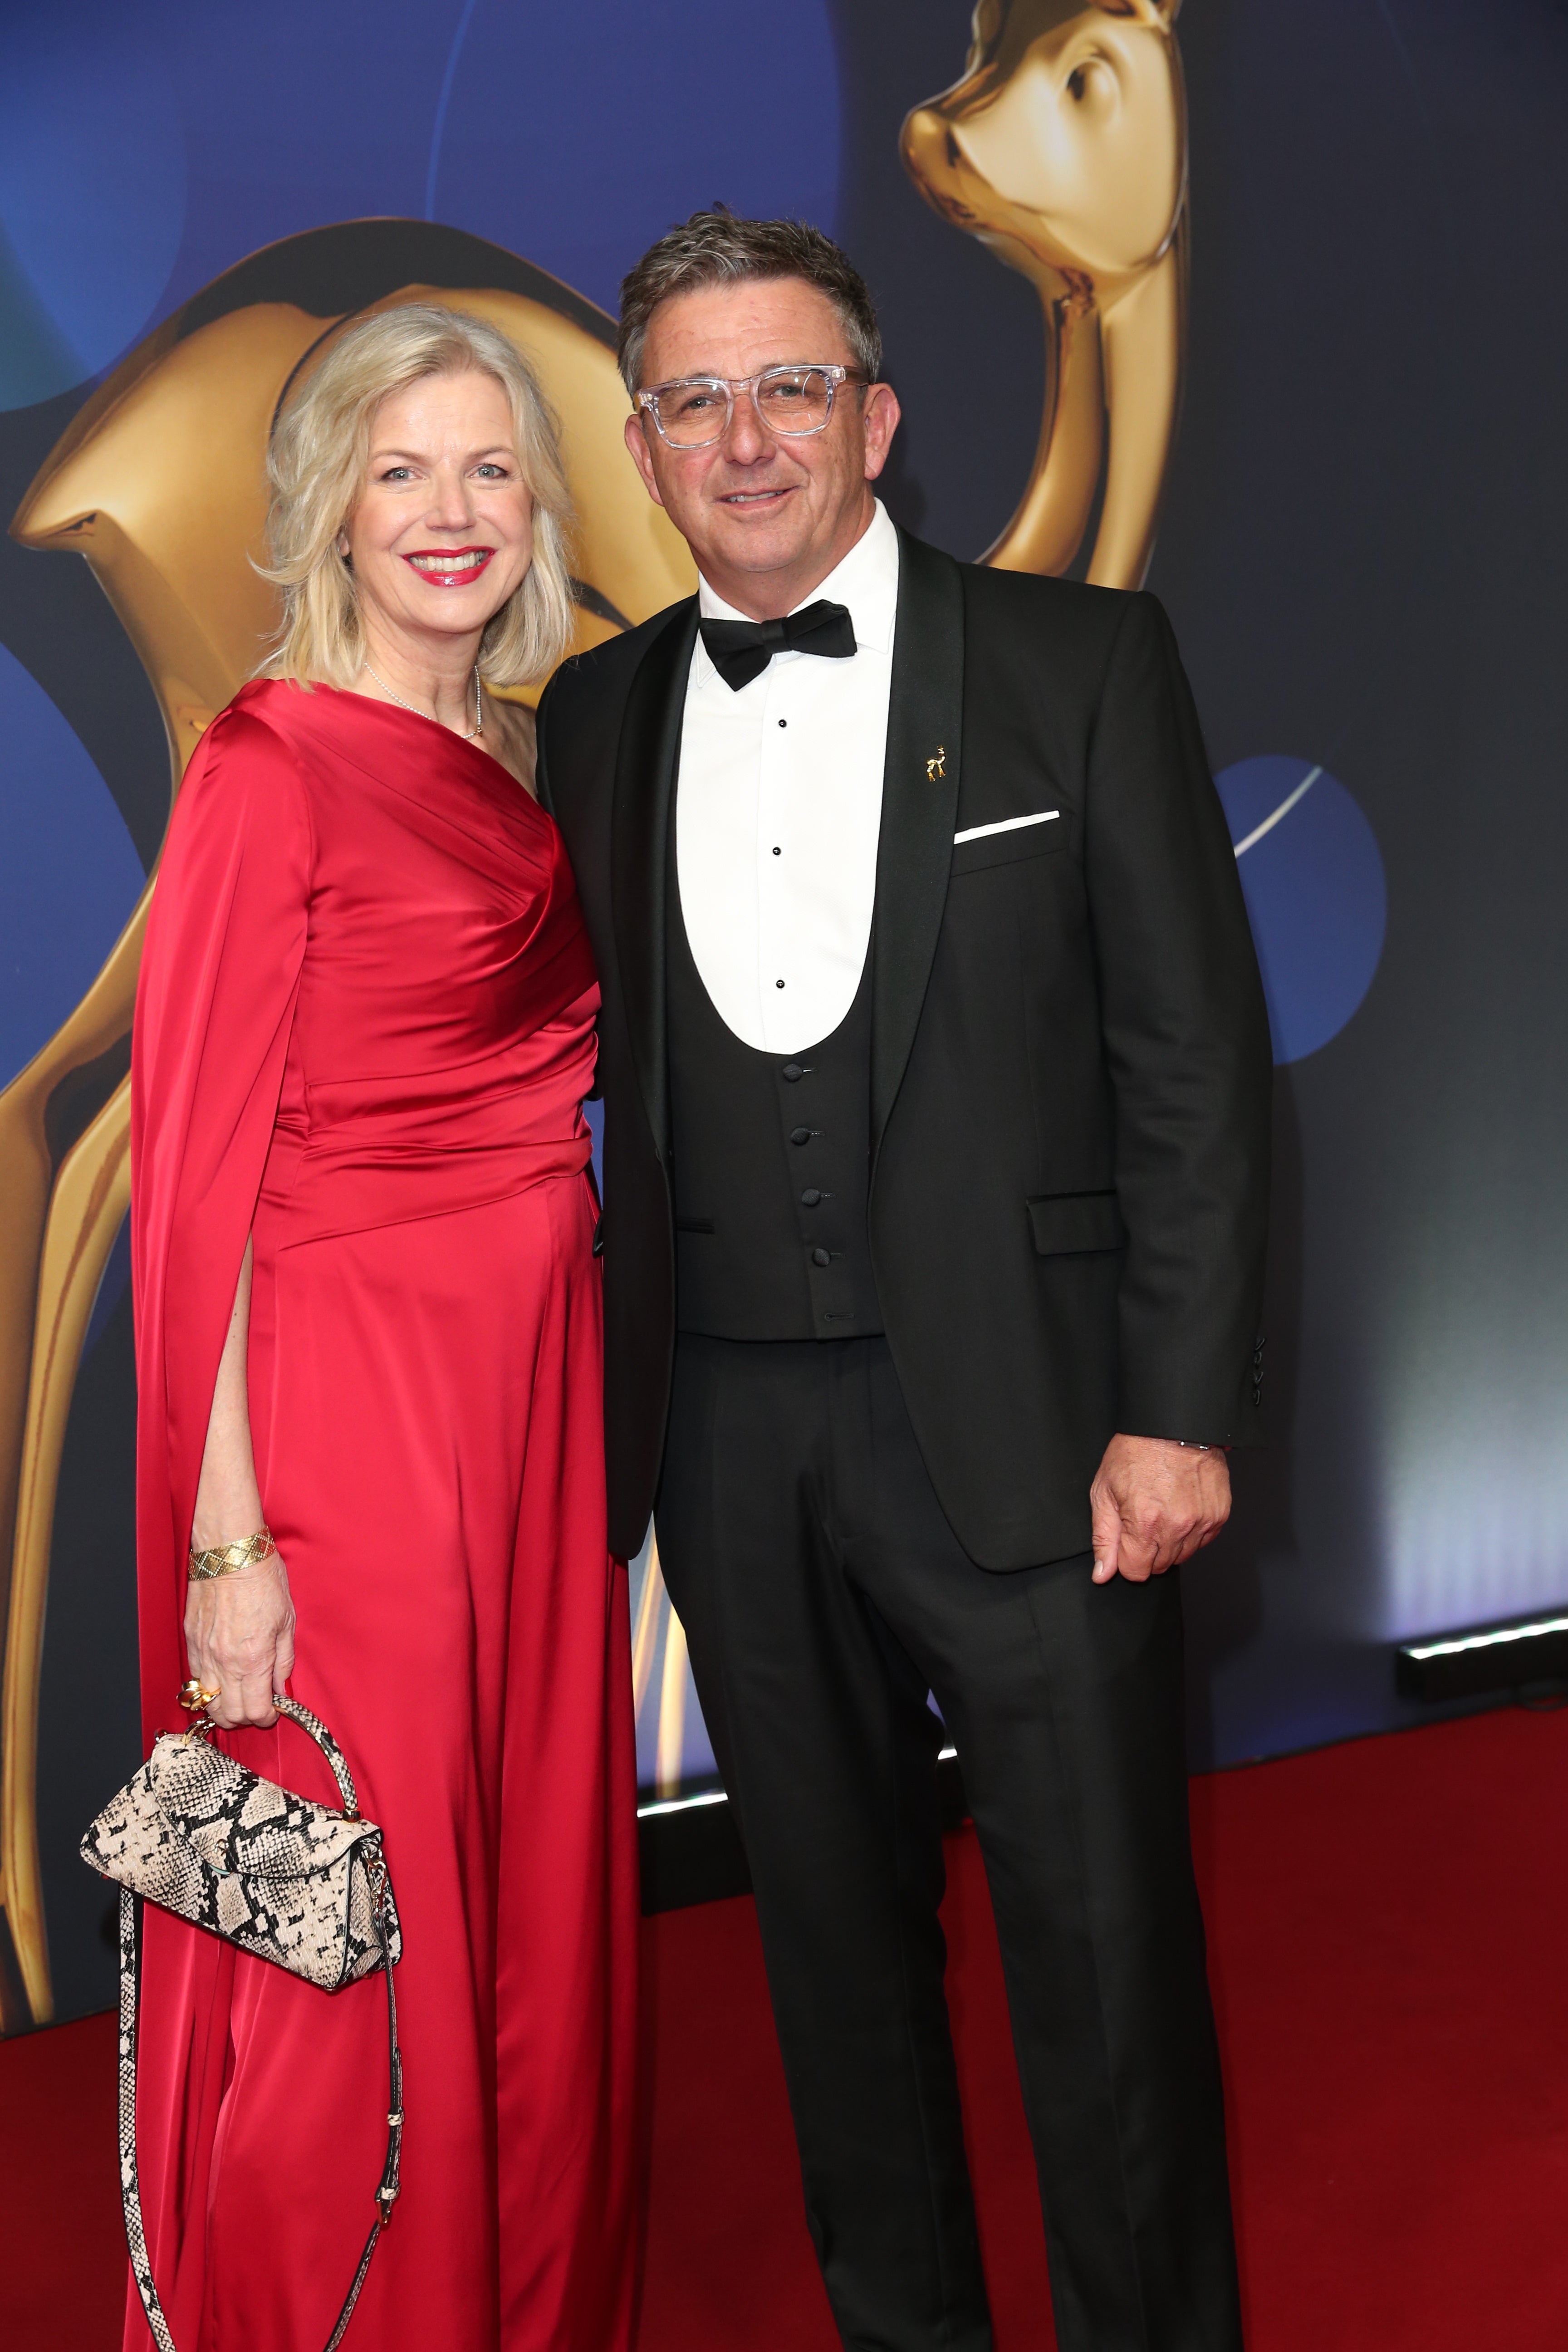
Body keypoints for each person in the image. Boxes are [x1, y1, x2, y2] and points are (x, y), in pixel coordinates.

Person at [536, 213, 1271, 2352]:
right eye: (695, 400)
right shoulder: (592, 718)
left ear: (875, 418)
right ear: (643, 451)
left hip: (1042, 1423)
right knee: (834, 1978)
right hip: (730, 1444)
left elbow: (1195, 1068)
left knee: (1108, 1971)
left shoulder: (1079, 662)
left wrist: (1180, 1407)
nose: (746, 438)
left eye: (788, 387)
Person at [129, 304, 637, 2352]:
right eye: (400, 469)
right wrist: (227, 1546)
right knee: (355, 1912)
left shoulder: (519, 745)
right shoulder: (263, 768)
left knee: (515, 1884)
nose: (450, 511)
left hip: (529, 1407)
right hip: (346, 1432)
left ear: (537, 503)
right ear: (328, 502)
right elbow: (193, 1193)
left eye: (489, 467)